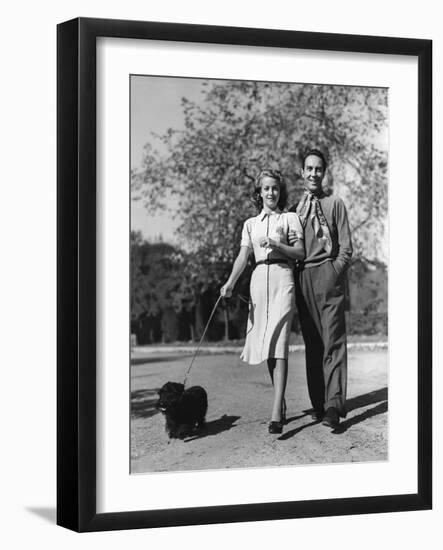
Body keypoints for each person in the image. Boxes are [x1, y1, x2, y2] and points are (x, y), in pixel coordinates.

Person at [220, 170, 305, 434]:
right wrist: (231, 282)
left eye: (275, 189)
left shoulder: (290, 218)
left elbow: (300, 252)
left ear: (280, 191)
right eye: (266, 189)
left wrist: (276, 245)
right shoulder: (250, 224)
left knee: (279, 341)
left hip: (283, 279)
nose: (271, 193)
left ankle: (275, 411)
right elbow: (243, 257)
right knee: (268, 344)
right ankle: (280, 403)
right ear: (259, 192)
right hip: (258, 282)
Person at [289, 149, 352, 429]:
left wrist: (333, 272)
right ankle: (318, 404)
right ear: (302, 173)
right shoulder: (294, 210)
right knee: (313, 345)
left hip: (327, 276)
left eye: (318, 169)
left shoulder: (334, 203)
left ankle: (333, 407)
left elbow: (346, 248)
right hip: (302, 279)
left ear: (323, 173)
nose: (313, 173)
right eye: (309, 168)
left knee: (333, 343)